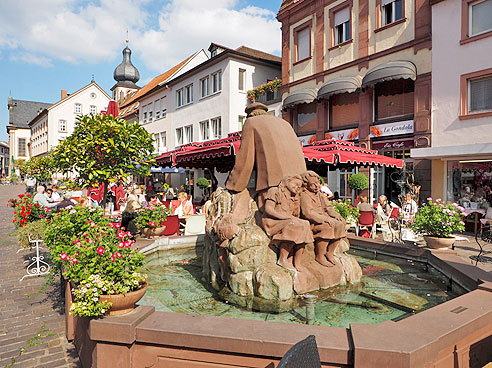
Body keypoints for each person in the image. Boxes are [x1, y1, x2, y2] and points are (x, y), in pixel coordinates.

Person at [226, 102, 307, 210]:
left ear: (250, 115)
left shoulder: (251, 122)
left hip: (273, 186)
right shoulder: (285, 123)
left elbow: (245, 159)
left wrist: (234, 184)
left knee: (271, 219)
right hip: (300, 184)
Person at [261, 175, 314, 272]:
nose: (298, 187)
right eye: (296, 184)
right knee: (294, 225)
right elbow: (268, 209)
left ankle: (297, 261)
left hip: (287, 220)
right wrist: (286, 217)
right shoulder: (274, 191)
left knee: (305, 224)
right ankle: (282, 258)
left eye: (300, 186)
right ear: (288, 181)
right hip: (273, 221)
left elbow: (294, 214)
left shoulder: (292, 197)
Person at [300, 171, 346, 267]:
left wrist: (336, 215)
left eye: (318, 183)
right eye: (313, 184)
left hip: (323, 218)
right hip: (313, 222)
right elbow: (308, 213)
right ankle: (320, 256)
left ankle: (329, 252)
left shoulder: (319, 194)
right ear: (306, 185)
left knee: (340, 225)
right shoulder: (304, 195)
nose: (317, 186)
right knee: (327, 227)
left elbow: (328, 208)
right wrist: (324, 219)